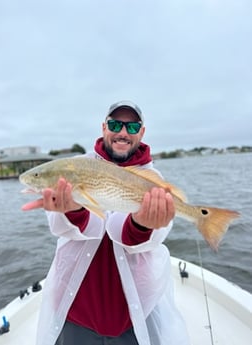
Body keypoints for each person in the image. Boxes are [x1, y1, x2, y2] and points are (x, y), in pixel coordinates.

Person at [23, 101, 190, 345]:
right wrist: (74, 211)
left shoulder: (152, 179)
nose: (123, 132)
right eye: (115, 124)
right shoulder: (76, 165)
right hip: (76, 311)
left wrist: (142, 226)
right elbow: (58, 227)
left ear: (141, 133)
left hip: (133, 313)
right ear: (103, 128)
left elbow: (153, 238)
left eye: (132, 127)